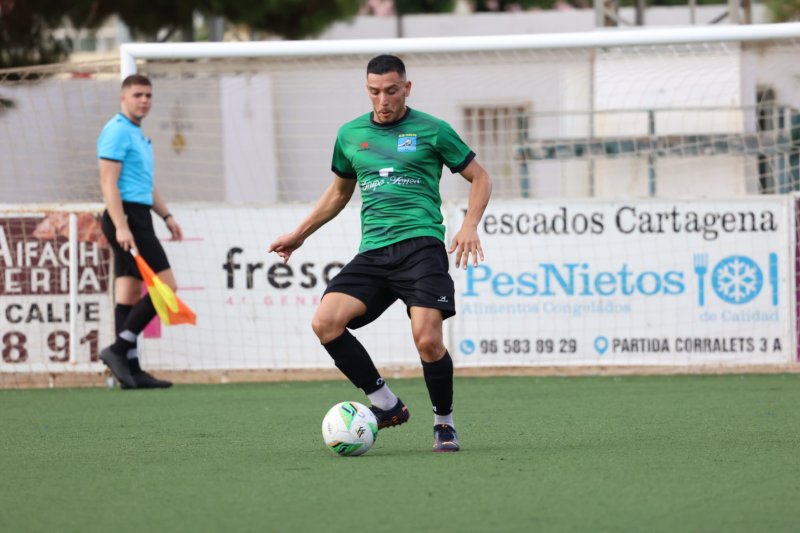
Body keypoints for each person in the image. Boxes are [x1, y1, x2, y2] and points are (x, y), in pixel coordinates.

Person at [269, 55, 492, 452]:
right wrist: (299, 234)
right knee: (325, 322)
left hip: (421, 247)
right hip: (373, 252)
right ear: (367, 90)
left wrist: (470, 224)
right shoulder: (351, 134)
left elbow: (481, 177)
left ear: (406, 88)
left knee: (427, 341)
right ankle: (386, 404)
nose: (383, 100)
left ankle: (444, 423)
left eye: (391, 91)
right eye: (374, 92)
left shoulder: (433, 130)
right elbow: (339, 193)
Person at [97, 74, 180, 389]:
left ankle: (131, 370)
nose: (143, 100)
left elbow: (145, 183)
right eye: (137, 95)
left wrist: (167, 215)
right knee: (167, 287)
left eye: (148, 95)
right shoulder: (116, 131)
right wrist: (121, 226)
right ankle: (118, 350)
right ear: (123, 98)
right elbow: (108, 183)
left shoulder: (137, 134)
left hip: (139, 215)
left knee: (129, 294)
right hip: (127, 219)